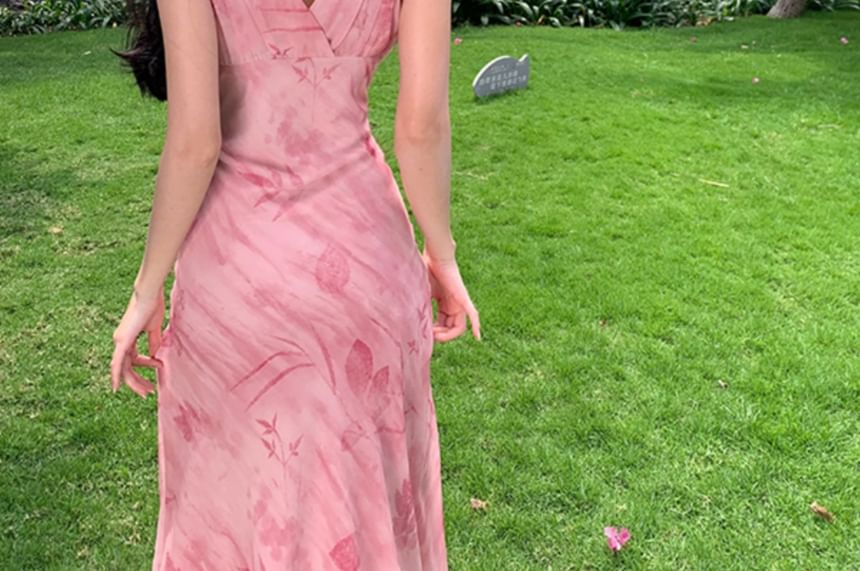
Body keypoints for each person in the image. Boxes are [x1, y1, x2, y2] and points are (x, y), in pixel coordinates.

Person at [109, 0, 481, 568]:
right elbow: (421, 127)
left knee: (238, 505)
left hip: (238, 283)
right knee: (366, 496)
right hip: (367, 273)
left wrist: (146, 287)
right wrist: (442, 254)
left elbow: (195, 143)